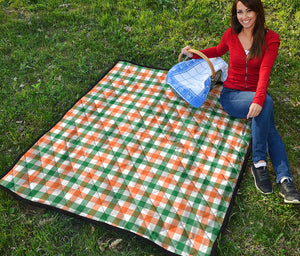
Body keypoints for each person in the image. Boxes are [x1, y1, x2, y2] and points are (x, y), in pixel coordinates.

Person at [181, 0, 300, 204]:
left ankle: (281, 176)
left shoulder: (271, 39)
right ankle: (267, 167)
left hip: (254, 93)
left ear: (258, 11)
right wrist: (194, 55)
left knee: (267, 116)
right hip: (232, 95)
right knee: (267, 107)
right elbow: (218, 50)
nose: (244, 16)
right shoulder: (231, 34)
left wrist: (258, 99)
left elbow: (265, 71)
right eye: (240, 12)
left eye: (249, 11)